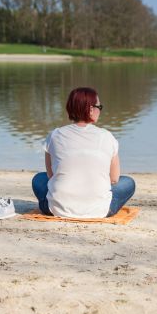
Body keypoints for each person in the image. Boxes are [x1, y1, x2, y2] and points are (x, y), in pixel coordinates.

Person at [32, 87, 135, 218]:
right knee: (128, 182)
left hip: (57, 209)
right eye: (99, 107)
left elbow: (51, 175)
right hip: (99, 210)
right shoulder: (107, 136)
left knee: (38, 179)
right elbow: (114, 179)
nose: (100, 110)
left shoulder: (54, 135)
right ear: (91, 109)